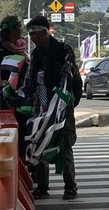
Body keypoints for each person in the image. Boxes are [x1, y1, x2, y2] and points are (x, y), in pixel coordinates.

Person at [24, 15, 82, 201]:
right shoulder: (35, 54)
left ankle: (70, 187)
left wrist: (67, 101)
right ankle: (42, 186)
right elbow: (30, 79)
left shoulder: (63, 49)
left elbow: (71, 76)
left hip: (62, 106)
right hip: (41, 106)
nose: (32, 38)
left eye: (35, 34)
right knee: (39, 144)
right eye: (30, 34)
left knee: (64, 146)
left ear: (44, 32)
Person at [0, 15, 29, 157]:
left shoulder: (21, 46)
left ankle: (24, 158)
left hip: (22, 96)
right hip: (7, 99)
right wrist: (4, 93)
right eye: (19, 27)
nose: (21, 30)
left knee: (25, 128)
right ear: (11, 30)